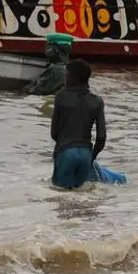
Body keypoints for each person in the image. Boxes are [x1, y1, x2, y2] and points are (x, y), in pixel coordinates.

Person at [50, 58, 110, 189]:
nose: (65, 77)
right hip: (86, 154)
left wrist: (62, 148)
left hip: (65, 151)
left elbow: (54, 133)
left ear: (74, 78)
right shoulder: (97, 101)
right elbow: (101, 138)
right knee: (80, 194)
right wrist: (91, 158)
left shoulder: (61, 96)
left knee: (60, 196)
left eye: (67, 74)